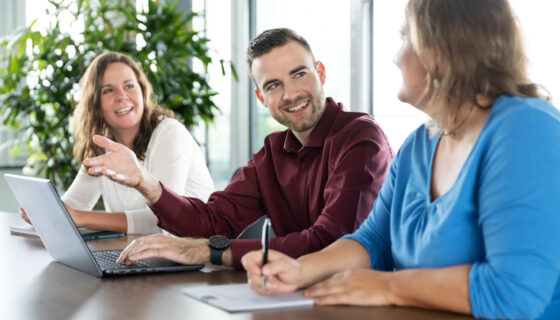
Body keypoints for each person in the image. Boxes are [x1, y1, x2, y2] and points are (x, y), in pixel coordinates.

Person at [242, 1, 560, 319]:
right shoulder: (418, 145)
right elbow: (373, 241)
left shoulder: (525, 128)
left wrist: (388, 287)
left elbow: (513, 293)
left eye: (405, 38)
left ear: (439, 48)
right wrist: (299, 269)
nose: (395, 57)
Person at [81, 29, 394, 268]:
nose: (290, 93)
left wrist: (209, 251)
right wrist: (143, 181)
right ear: (261, 98)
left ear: (320, 73)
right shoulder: (271, 154)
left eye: (299, 74)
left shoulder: (361, 139)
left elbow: (331, 244)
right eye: (273, 85)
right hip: (294, 296)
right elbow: (214, 221)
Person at [22, 52, 215, 234]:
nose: (121, 95)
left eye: (129, 85)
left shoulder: (169, 133)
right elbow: (74, 205)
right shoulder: (102, 146)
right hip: (147, 255)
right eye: (108, 90)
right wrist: (46, 213)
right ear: (95, 103)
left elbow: (162, 222)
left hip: (201, 255)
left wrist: (78, 217)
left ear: (142, 91)